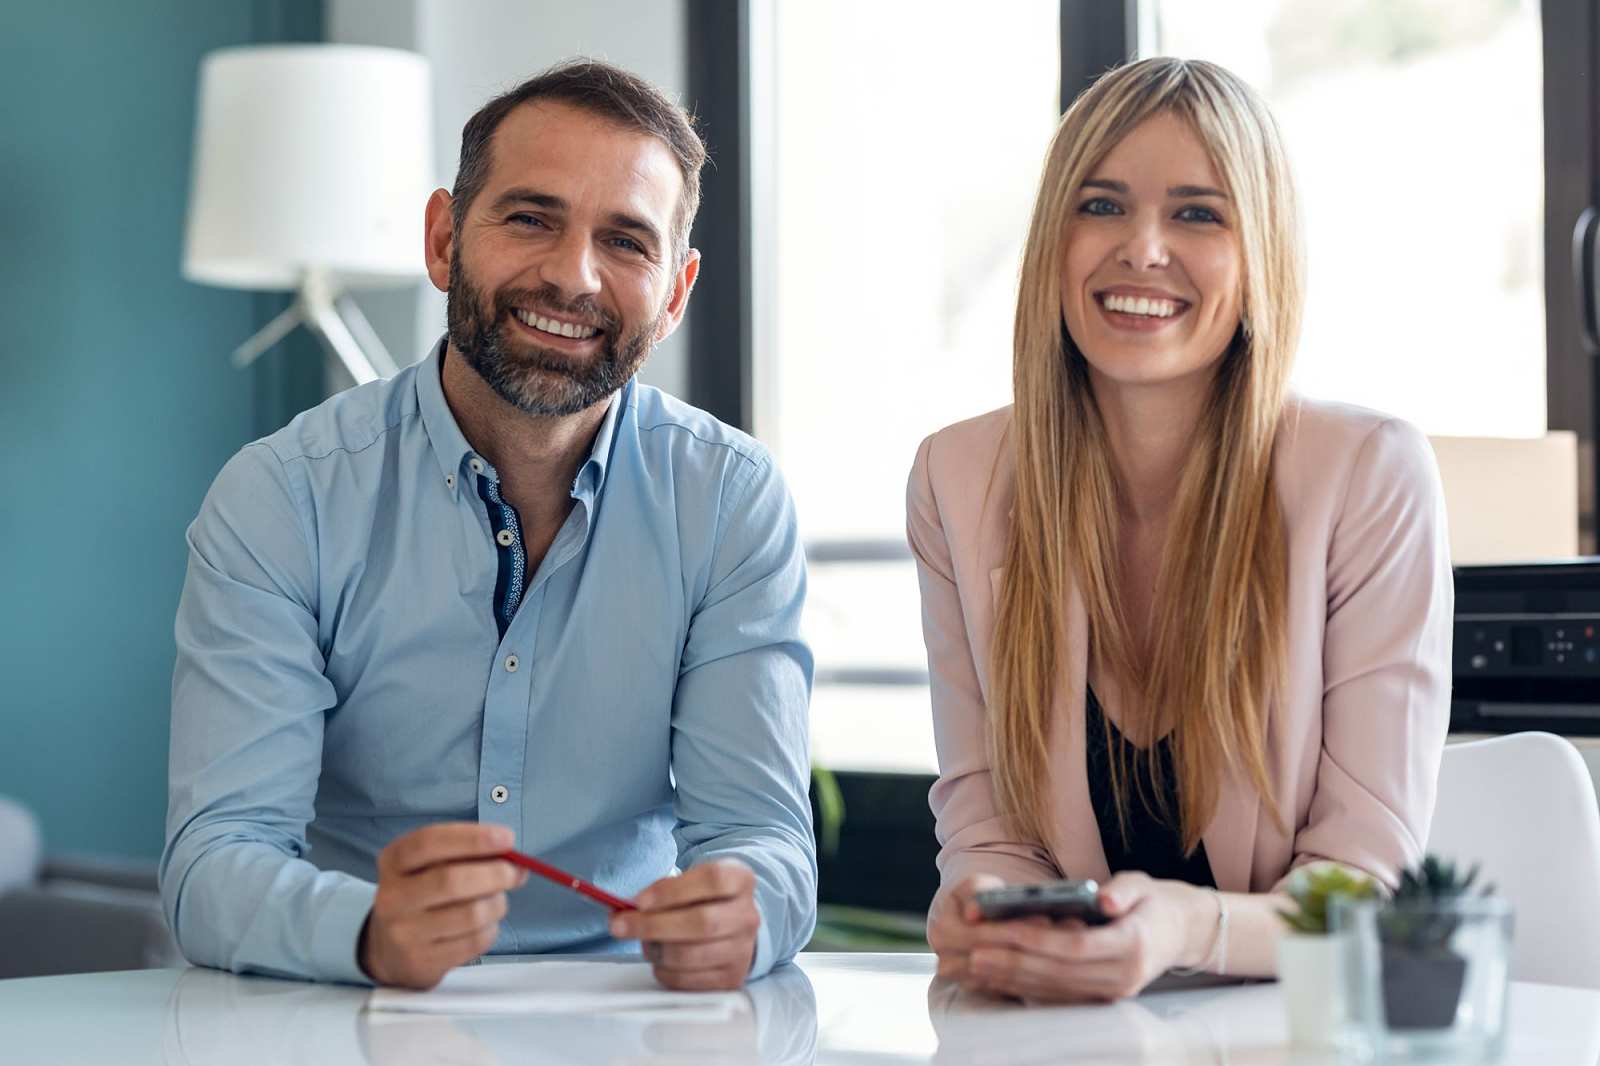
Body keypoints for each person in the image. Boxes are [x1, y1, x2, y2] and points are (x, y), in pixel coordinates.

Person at [161, 59, 816, 992]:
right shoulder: (282, 497)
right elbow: (214, 861)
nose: (572, 276)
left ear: (675, 293)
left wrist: (743, 913)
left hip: (633, 1014)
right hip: (353, 1008)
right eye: (530, 219)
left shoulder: (730, 502)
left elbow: (764, 839)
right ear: (443, 240)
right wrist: (367, 931)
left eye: (625, 241)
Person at [908, 56, 1451, 1002]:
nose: (1143, 249)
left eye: (1198, 213)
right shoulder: (957, 478)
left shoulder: (1370, 475)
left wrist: (1184, 929)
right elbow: (989, 832)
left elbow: (1361, 886)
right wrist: (988, 904)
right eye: (1102, 205)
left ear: (1260, 254)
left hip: (1289, 1031)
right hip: (1068, 1031)